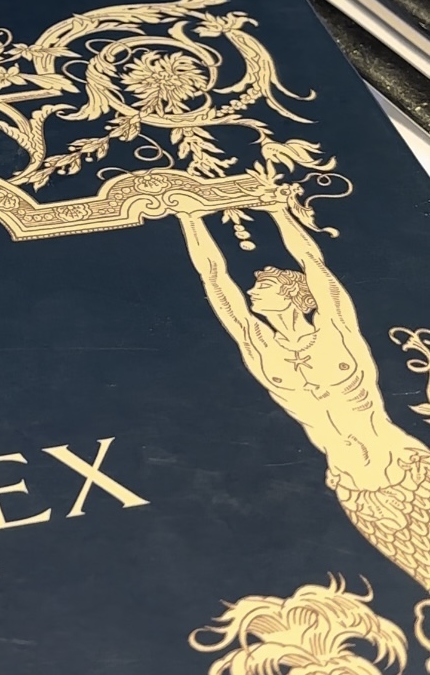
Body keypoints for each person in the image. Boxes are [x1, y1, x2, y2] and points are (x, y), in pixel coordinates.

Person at [182, 209, 430, 595]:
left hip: (406, 465)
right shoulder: (259, 346)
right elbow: (213, 276)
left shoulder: (337, 330)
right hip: (357, 490)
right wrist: (189, 217)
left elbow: (313, 262)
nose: (250, 292)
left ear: (293, 295)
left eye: (262, 287)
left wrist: (277, 209)